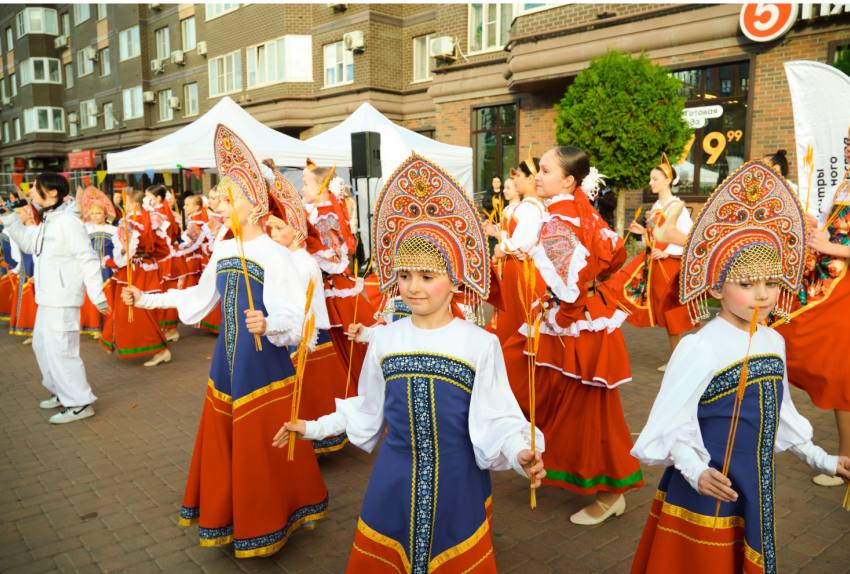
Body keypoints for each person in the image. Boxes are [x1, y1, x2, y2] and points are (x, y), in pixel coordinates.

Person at [274, 152, 545, 572]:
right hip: (393, 481)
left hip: (459, 483)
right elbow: (366, 410)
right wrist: (311, 427)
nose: (413, 288)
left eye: (427, 276)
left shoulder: (478, 344)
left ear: (454, 281)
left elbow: (500, 419)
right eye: (404, 275)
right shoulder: (386, 340)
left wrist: (519, 452)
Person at [630, 160, 850, 574]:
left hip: (755, 486)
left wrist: (825, 459)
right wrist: (695, 471)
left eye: (770, 283)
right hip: (708, 487)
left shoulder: (774, 341)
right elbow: (670, 422)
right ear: (715, 287)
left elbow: (781, 417)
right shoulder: (700, 347)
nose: (763, 295)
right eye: (746, 285)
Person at [123, 125, 329, 557]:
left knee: (260, 450)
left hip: (264, 369)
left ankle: (269, 519)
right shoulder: (222, 249)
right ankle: (231, 516)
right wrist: (145, 297)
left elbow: (298, 320)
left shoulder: (276, 256)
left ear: (255, 206)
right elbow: (197, 301)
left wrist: (268, 324)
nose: (222, 208)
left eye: (229, 200)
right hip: (226, 366)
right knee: (228, 445)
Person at [503, 146, 642, 525]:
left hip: (575, 325)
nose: (538, 177)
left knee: (589, 410)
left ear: (567, 180)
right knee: (567, 401)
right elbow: (613, 254)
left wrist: (564, 314)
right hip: (583, 320)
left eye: (545, 171)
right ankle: (547, 459)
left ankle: (612, 490)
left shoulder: (559, 219)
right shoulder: (577, 209)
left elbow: (569, 282)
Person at [772, 135, 850, 487]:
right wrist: (806, 223)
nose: (847, 148)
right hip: (823, 281)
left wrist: (832, 246)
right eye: (846, 142)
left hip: (842, 290)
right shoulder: (841, 185)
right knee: (783, 329)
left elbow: (834, 241)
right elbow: (823, 225)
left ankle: (844, 459)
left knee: (839, 373)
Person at [0, 172, 108, 424]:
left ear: (52, 193)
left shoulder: (67, 222)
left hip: (63, 296)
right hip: (47, 297)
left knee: (62, 350)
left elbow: (87, 257)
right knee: (42, 345)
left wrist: (97, 295)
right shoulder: (50, 219)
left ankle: (80, 402)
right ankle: (62, 392)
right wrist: (9, 219)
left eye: (36, 189)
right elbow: (29, 245)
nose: (31, 193)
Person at [263, 159, 348, 454]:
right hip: (303, 331)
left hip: (306, 335)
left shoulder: (301, 261)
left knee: (311, 392)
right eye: (270, 229)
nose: (272, 235)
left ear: (297, 232)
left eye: (278, 229)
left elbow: (300, 304)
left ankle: (313, 438)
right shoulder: (291, 258)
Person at [598, 154, 695, 371]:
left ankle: (678, 360)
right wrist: (643, 233)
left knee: (671, 313)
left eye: (655, 179)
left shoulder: (677, 206)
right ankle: (678, 358)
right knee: (621, 289)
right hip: (654, 262)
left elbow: (689, 238)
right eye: (651, 179)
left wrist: (669, 251)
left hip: (670, 264)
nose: (651, 183)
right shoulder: (657, 205)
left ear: (668, 180)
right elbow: (656, 237)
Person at [301, 159, 375, 387]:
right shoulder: (318, 212)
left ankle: (350, 389)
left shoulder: (326, 216)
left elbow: (335, 258)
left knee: (339, 346)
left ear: (320, 188)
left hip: (331, 290)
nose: (302, 188)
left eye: (305, 183)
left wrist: (303, 250)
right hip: (324, 287)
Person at [100, 189, 171, 366]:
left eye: (126, 203)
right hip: (148, 270)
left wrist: (110, 261)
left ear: (133, 204)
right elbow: (164, 249)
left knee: (134, 310)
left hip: (133, 271)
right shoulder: (153, 220)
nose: (125, 206)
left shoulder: (129, 222)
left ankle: (160, 349)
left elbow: (125, 254)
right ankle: (153, 347)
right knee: (145, 310)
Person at [484, 159, 547, 344]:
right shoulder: (527, 206)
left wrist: (501, 248)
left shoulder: (530, 208)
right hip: (516, 269)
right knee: (512, 318)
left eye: (519, 175)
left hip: (522, 271)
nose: (515, 180)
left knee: (517, 319)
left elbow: (523, 241)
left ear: (530, 179)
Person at [77, 186, 117, 339]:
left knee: (108, 296)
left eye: (98, 212)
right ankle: (95, 327)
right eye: (92, 213)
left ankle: (109, 325)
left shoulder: (113, 230)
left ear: (105, 213)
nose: (95, 216)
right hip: (91, 268)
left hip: (108, 269)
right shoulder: (85, 230)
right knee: (92, 295)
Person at [8, 204, 38, 343]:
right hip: (25, 272)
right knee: (28, 302)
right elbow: (20, 256)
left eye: (20, 213)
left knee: (33, 303)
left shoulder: (33, 231)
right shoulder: (26, 230)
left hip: (31, 273)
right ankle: (33, 331)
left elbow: (35, 256)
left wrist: (36, 274)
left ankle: (35, 332)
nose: (18, 216)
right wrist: (16, 270)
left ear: (29, 214)